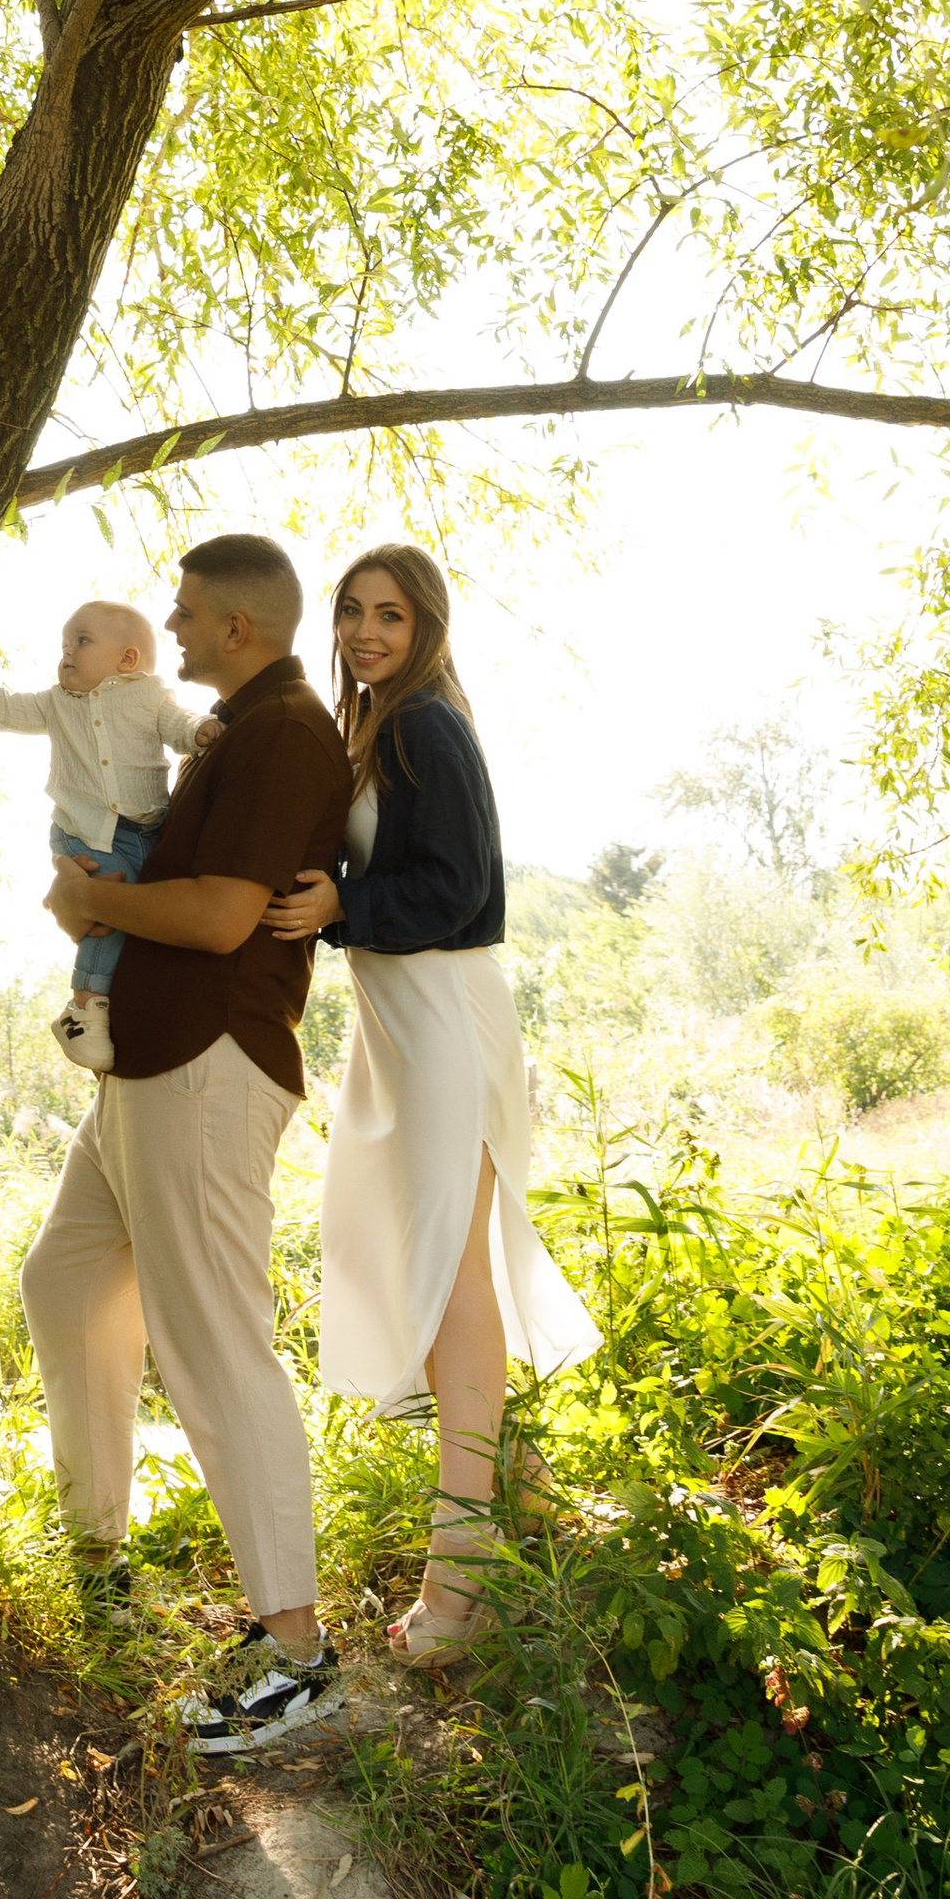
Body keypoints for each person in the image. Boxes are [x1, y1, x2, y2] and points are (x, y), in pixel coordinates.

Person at [22, 534, 354, 1754]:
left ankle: (299, 1654)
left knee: (216, 1349)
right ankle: (98, 1557)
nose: (167, 619)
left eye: (187, 609)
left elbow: (219, 920)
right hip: (142, 1071)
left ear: (238, 630)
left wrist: (88, 899)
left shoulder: (282, 731)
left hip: (207, 1067)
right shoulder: (230, 729)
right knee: (63, 1285)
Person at [265, 542, 600, 1662]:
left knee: (457, 1278)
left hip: (444, 1018)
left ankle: (458, 1585)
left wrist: (337, 907)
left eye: (391, 617)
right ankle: (523, 1505)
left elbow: (462, 887)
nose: (367, 632)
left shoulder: (422, 726)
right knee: (442, 1266)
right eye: (353, 612)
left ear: (426, 629)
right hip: (399, 1026)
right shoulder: (372, 727)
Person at [0, 603, 204, 1070]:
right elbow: (4, 709)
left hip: (146, 829)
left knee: (152, 911)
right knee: (112, 901)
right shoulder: (55, 703)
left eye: (81, 642)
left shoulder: (152, 697)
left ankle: (119, 996)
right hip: (84, 831)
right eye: (64, 646)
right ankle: (85, 1004)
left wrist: (202, 732)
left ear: (128, 660)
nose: (66, 654)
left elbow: (180, 725)